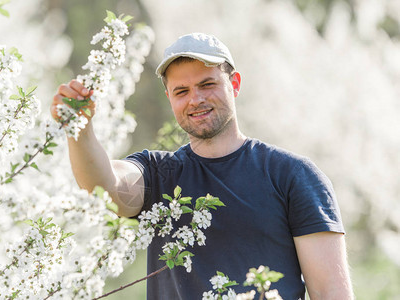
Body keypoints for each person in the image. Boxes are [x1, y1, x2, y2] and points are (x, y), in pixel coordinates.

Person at [51, 33, 354, 299]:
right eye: (181, 91)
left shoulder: (293, 176)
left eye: (207, 84)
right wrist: (81, 130)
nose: (195, 99)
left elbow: (330, 292)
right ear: (169, 97)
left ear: (234, 84)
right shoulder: (159, 175)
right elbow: (104, 187)